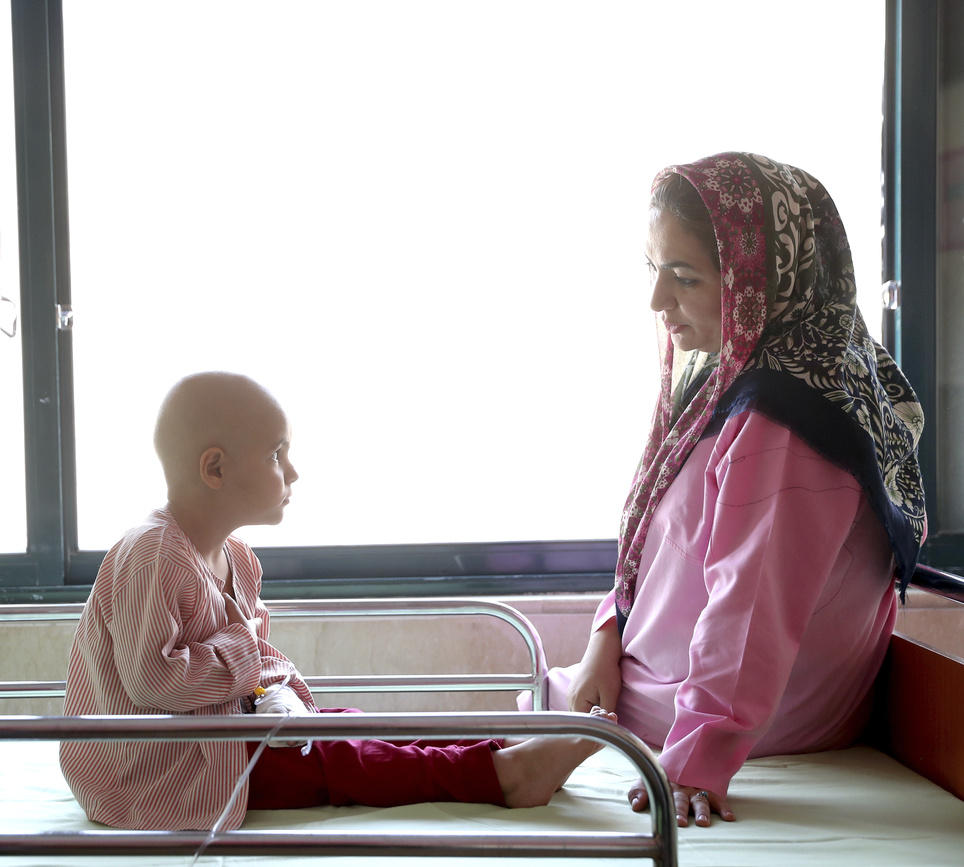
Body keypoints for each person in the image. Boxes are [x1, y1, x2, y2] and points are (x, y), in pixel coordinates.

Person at [530, 152, 926, 829]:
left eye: (683, 277)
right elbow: (663, 548)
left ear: (758, 284)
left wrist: (693, 761)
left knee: (482, 744)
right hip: (667, 689)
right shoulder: (756, 375)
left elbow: (750, 612)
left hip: (731, 719)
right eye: (652, 269)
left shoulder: (786, 417)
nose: (657, 302)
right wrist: (607, 636)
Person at [61, 371, 612, 831]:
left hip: (220, 732)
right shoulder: (151, 557)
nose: (293, 472)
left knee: (346, 722)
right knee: (339, 757)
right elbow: (154, 682)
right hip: (157, 771)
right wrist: (246, 652)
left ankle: (496, 742)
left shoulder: (237, 557)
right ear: (215, 469)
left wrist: (280, 692)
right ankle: (505, 776)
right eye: (276, 454)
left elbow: (250, 662)